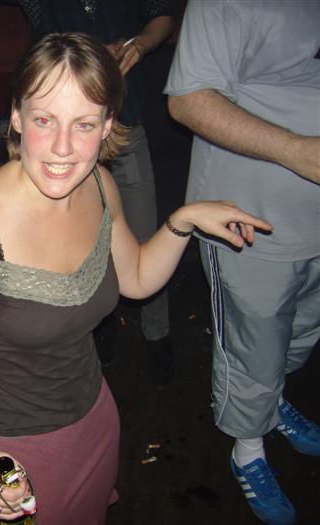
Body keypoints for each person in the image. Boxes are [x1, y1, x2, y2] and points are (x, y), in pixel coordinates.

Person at [0, 32, 271, 525]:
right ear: (16, 117)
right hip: (10, 450)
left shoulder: (99, 184)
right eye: (44, 119)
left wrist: (183, 219)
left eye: (83, 123)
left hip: (94, 416)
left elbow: (136, 278)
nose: (62, 148)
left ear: (106, 126)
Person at [164, 1, 320, 523]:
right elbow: (188, 101)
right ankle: (247, 449)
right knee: (252, 344)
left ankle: (272, 404)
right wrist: (297, 151)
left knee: (302, 329)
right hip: (250, 217)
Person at [0, 0, 176, 383]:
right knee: (69, 245)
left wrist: (139, 45)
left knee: (143, 235)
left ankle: (157, 334)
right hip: (49, 144)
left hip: (123, 128)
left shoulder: (108, 149)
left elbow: (162, 14)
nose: (66, 147)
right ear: (17, 115)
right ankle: (96, 329)